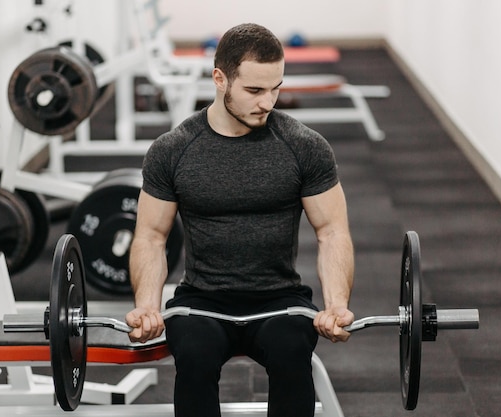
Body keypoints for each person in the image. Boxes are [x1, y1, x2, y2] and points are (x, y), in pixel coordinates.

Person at [126, 22, 355, 417]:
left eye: (275, 88)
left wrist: (336, 304)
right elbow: (150, 236)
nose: (268, 102)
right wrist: (147, 306)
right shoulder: (173, 150)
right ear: (220, 79)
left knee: (291, 351)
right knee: (194, 357)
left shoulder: (305, 147)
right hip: (202, 300)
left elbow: (332, 231)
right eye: (254, 90)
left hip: (279, 299)